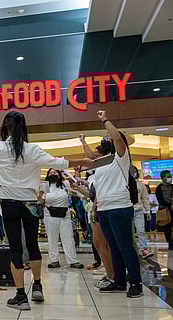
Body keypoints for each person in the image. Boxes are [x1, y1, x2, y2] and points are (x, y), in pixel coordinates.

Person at [0, 111, 93, 310]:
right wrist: (85, 162)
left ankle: (21, 296)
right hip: (30, 202)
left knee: (15, 248)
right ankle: (37, 286)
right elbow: (59, 163)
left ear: (6, 127)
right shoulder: (33, 150)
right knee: (33, 245)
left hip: (9, 203)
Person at [93, 110, 143, 298]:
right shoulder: (103, 163)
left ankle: (136, 282)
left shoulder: (121, 158)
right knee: (114, 247)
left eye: (110, 137)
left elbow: (118, 139)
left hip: (120, 207)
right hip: (104, 209)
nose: (108, 139)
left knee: (125, 246)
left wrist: (105, 120)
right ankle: (119, 281)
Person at [76, 138, 115, 290]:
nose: (93, 155)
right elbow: (92, 194)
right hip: (96, 209)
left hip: (102, 209)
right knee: (99, 243)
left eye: (96, 153)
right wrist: (79, 188)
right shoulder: (97, 172)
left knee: (105, 243)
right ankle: (110, 272)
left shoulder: (107, 166)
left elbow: (99, 193)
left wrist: (83, 142)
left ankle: (112, 274)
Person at [41, 169, 84, 269]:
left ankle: (73, 260)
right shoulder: (45, 186)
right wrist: (39, 195)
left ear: (59, 175)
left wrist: (69, 174)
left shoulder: (65, 184)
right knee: (52, 238)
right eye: (50, 173)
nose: (53, 174)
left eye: (55, 172)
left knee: (68, 238)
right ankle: (54, 260)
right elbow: (41, 202)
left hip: (65, 215)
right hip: (49, 215)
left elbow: (75, 185)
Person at [131, 166, 153, 259]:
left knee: (141, 230)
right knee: (129, 232)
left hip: (138, 210)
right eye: (132, 171)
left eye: (135, 171)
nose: (134, 173)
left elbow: (145, 198)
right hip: (126, 210)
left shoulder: (140, 185)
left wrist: (147, 210)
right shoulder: (122, 184)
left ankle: (144, 249)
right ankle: (133, 250)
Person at [155, 170, 173, 249]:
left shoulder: (172, 186)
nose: (170, 178)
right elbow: (160, 199)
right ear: (162, 178)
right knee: (167, 227)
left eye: (170, 176)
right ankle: (169, 243)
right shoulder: (159, 188)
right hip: (165, 210)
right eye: (168, 177)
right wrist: (170, 205)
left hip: (172, 210)